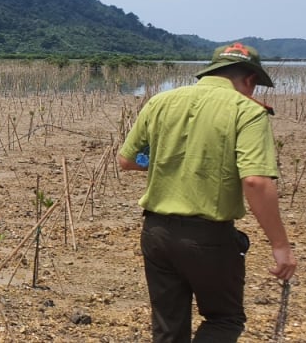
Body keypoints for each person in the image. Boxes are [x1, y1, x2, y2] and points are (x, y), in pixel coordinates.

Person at [117, 42, 296, 342]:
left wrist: (174, 162)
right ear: (250, 80)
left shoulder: (161, 101)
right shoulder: (247, 110)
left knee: (168, 326)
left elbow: (127, 159)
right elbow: (255, 182)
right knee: (225, 319)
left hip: (156, 233)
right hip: (209, 238)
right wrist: (280, 245)